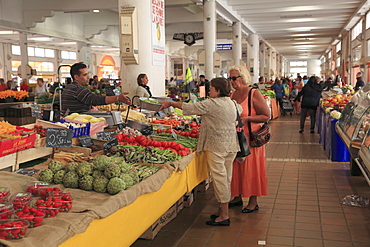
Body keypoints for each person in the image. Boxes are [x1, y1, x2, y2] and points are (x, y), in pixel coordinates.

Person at [159, 77, 241, 226]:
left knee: (220, 179)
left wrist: (171, 103)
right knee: (226, 178)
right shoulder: (233, 104)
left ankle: (224, 215)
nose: (209, 91)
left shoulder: (212, 104)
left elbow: (189, 108)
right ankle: (222, 210)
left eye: (211, 89)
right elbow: (238, 115)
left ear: (217, 90)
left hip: (216, 146)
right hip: (231, 145)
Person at [227, 65, 270, 214]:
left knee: (251, 169)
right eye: (230, 78)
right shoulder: (232, 96)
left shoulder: (253, 93)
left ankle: (253, 201)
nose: (231, 81)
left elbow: (266, 115)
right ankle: (237, 196)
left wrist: (247, 119)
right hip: (236, 138)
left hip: (251, 139)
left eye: (234, 78)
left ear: (243, 77)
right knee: (236, 168)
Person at [61, 62, 131, 114]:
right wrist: (118, 98)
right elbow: (95, 99)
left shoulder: (70, 87)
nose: (88, 77)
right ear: (76, 77)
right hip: (77, 124)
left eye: (88, 74)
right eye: (85, 75)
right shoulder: (77, 89)